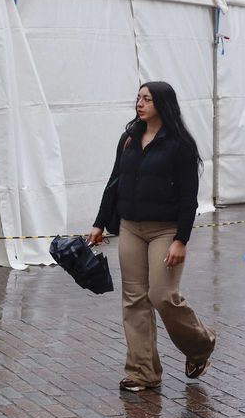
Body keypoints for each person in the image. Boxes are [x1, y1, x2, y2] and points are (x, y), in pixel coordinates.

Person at [88, 81, 217, 393]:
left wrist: (181, 240)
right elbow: (114, 182)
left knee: (162, 295)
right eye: (138, 98)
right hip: (131, 226)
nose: (140, 103)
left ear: (162, 103)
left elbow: (189, 198)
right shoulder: (129, 139)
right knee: (134, 300)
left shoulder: (180, 145)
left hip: (166, 229)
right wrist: (100, 223)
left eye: (147, 98)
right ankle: (142, 372)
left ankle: (200, 344)